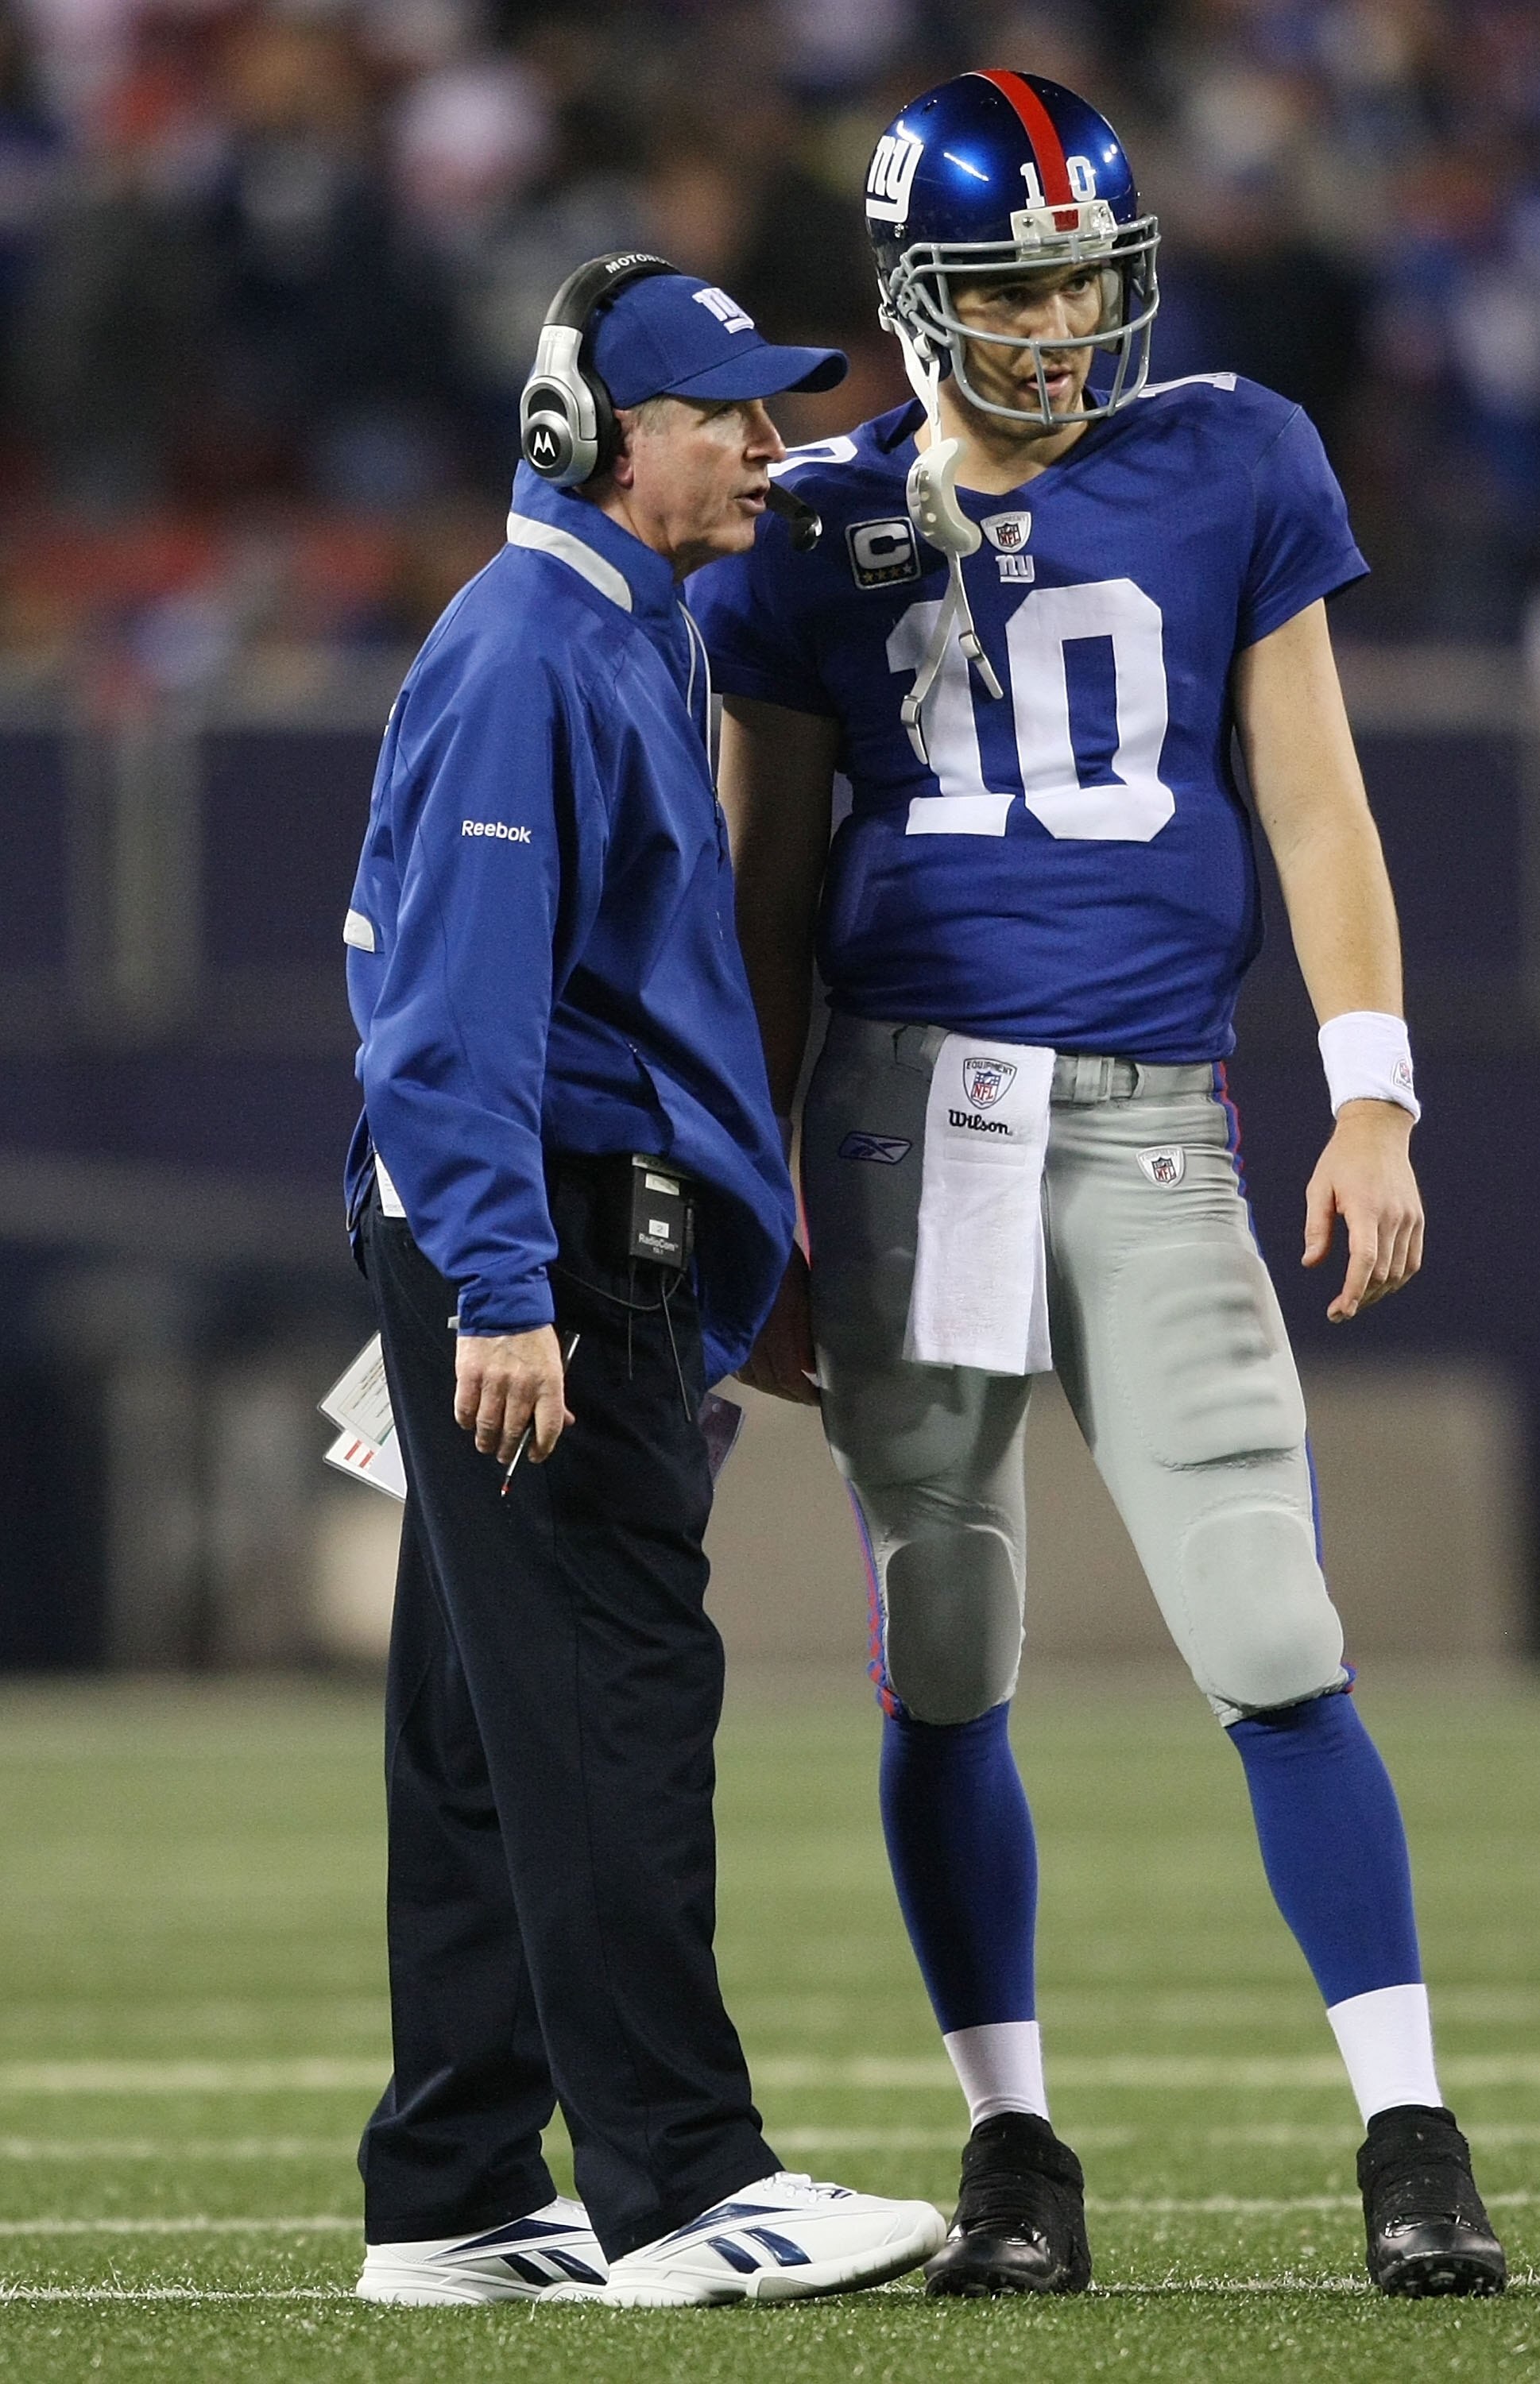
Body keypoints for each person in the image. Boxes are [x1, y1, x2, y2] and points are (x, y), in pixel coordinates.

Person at [691, 75, 1509, 2301]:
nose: (1056, 323)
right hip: (896, 1120)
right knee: (943, 1653)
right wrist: (749, 1176)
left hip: (1148, 1109)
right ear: (912, 298)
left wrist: (1372, 1092)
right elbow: (764, 890)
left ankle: (1409, 2134)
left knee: (1268, 1624)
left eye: (1079, 276)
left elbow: (1315, 803)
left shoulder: (1234, 452)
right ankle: (1010, 2149)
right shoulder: (816, 521)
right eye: (1011, 283)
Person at [341, 252, 945, 2309]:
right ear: (595, 439)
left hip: (565, 1223)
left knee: (481, 1717)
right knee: (610, 1689)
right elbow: (449, 1018)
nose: (766, 451)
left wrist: (900, 460)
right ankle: (684, 2181)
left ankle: (451, 2185)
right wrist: (501, 1278)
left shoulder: (612, 618)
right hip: (547, 1231)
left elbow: (825, 473)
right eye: (728, 420)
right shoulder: (534, 646)